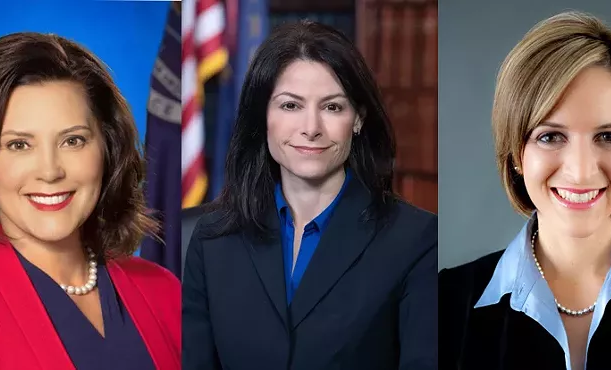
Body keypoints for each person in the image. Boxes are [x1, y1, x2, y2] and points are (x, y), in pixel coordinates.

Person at [182, 20, 437, 370]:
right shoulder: (212, 237)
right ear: (264, 116)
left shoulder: (417, 240)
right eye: (290, 106)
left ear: (358, 118)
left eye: (332, 107)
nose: (311, 128)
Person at [0, 32, 180, 369]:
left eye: (73, 140)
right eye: (19, 145)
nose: (50, 172)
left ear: (107, 151)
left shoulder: (165, 293)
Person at [439, 11, 611, 370]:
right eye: (550, 136)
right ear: (515, 154)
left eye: (609, 136)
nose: (581, 170)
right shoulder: (442, 303)